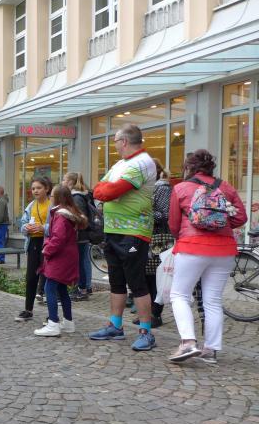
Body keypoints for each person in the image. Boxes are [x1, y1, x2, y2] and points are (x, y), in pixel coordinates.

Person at [168, 150, 247, 363]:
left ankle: (188, 343)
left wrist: (184, 235)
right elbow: (241, 217)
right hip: (224, 250)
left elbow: (173, 223)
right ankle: (210, 350)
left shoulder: (181, 188)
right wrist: (220, 223)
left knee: (180, 295)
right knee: (213, 300)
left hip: (191, 247)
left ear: (189, 167)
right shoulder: (226, 187)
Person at [90, 124, 158, 351]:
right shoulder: (120, 164)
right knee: (116, 281)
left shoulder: (142, 162)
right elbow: (97, 188)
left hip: (134, 232)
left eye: (116, 142)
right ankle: (115, 326)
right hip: (113, 230)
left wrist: (106, 192)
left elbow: (110, 191)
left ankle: (146, 332)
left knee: (137, 283)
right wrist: (104, 191)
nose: (115, 146)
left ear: (125, 141)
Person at [34, 187, 89, 337]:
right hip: (68, 256)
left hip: (60, 257)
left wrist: (46, 250)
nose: (50, 198)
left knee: (49, 287)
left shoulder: (60, 215)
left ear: (57, 198)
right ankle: (68, 322)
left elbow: (58, 238)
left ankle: (53, 323)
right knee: (62, 289)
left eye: (52, 196)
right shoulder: (69, 213)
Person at [135, 162, 173, 328]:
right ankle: (148, 313)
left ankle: (155, 314)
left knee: (157, 276)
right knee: (147, 275)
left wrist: (143, 212)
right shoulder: (148, 189)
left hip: (159, 238)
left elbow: (164, 215)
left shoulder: (162, 188)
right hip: (147, 236)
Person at [15, 177, 52, 322]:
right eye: (33, 188)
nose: (35, 191)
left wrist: (43, 228)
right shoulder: (31, 205)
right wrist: (26, 228)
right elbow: (23, 224)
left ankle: (52, 314)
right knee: (31, 277)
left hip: (48, 244)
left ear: (47, 189)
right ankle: (28, 310)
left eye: (39, 188)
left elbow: (58, 227)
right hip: (33, 243)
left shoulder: (52, 205)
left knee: (49, 278)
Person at [63, 172, 93, 300]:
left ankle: (82, 289)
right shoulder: (80, 195)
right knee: (82, 261)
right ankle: (84, 287)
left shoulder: (76, 197)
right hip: (81, 235)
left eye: (64, 180)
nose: (62, 182)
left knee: (79, 263)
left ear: (70, 182)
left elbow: (80, 217)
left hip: (79, 236)